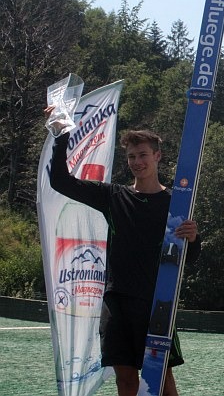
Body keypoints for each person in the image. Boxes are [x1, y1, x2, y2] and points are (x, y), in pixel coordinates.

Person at [46, 111, 201, 396]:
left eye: (143, 155)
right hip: (116, 302)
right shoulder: (114, 196)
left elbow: (187, 259)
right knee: (126, 381)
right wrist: (60, 134)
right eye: (131, 157)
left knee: (161, 380)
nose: (137, 162)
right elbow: (60, 181)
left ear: (157, 156)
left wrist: (193, 238)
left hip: (156, 304)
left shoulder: (175, 202)